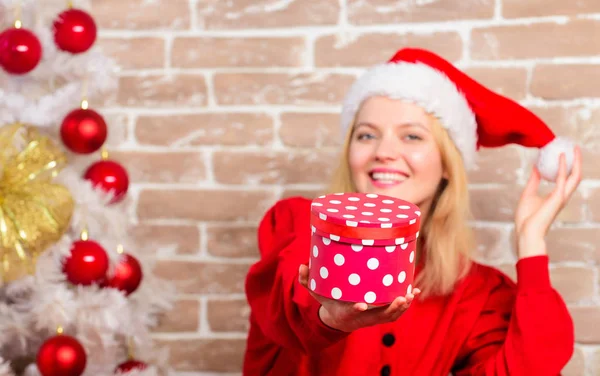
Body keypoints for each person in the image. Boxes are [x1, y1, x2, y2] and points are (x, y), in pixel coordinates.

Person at [243, 47, 582, 376]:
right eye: (366, 135)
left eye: (412, 137)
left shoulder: (473, 290)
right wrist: (329, 318)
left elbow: (528, 369)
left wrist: (531, 240)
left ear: (448, 163)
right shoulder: (301, 224)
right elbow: (285, 305)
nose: (384, 151)